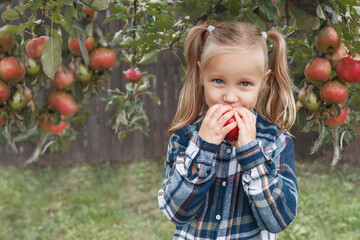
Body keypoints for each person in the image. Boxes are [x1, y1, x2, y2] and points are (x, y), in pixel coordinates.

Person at [158, 21, 298, 240]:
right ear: (201, 75)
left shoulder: (274, 141)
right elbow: (175, 211)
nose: (230, 97)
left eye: (244, 84)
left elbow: (278, 220)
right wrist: (203, 148)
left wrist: (252, 155)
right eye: (219, 81)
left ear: (263, 82)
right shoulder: (186, 137)